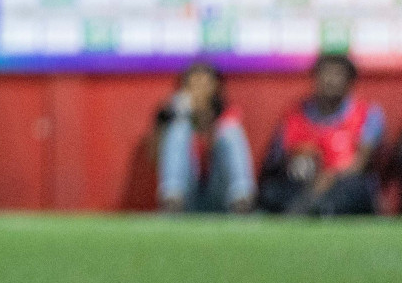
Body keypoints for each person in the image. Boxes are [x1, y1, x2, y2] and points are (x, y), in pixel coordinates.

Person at [258, 54, 383, 217]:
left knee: (355, 190)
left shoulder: (368, 114)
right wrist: (300, 158)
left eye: (337, 75)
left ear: (350, 81)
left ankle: (315, 210)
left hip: (345, 182)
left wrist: (329, 177)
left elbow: (361, 163)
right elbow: (276, 162)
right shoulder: (295, 115)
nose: (330, 80)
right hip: (302, 184)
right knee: (271, 192)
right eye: (325, 74)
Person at [155, 62, 255, 213]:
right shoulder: (172, 115)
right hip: (186, 196)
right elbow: (153, 158)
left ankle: (243, 200)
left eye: (205, 84)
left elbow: (222, 149)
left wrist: (205, 117)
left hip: (220, 193)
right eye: (193, 84)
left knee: (230, 131)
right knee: (178, 130)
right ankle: (172, 201)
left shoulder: (227, 115)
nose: (199, 90)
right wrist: (176, 115)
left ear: (216, 87)